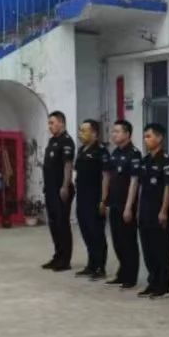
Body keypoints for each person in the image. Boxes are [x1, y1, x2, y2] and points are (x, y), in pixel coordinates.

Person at [135, 123, 169, 298]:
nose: (146, 140)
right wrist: (137, 209)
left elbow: (168, 188)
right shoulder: (145, 161)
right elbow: (141, 187)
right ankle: (152, 282)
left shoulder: (166, 161)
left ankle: (163, 286)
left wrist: (164, 211)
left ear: (159, 138)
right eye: (145, 136)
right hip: (145, 210)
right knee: (148, 249)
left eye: (149, 136)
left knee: (161, 249)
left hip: (159, 212)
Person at [103, 119, 142, 288]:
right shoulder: (115, 153)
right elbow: (108, 177)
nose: (114, 134)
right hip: (114, 203)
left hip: (126, 205)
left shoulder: (134, 154)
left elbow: (134, 182)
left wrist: (128, 207)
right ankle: (122, 272)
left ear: (127, 134)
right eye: (113, 131)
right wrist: (105, 200)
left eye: (117, 131)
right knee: (117, 240)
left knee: (128, 241)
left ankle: (130, 277)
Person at [72, 119, 110, 279]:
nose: (80, 134)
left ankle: (100, 267)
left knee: (96, 233)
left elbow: (106, 176)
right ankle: (91, 264)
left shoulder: (101, 151)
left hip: (95, 198)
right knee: (86, 231)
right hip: (82, 197)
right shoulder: (81, 150)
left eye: (84, 130)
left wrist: (104, 200)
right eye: (80, 130)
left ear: (94, 133)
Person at [41, 110, 75, 271]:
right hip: (50, 189)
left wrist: (65, 186)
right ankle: (58, 256)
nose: (50, 126)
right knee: (54, 225)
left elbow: (68, 165)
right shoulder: (52, 141)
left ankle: (65, 260)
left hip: (61, 190)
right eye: (49, 123)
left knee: (62, 224)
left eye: (52, 123)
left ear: (61, 123)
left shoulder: (66, 141)